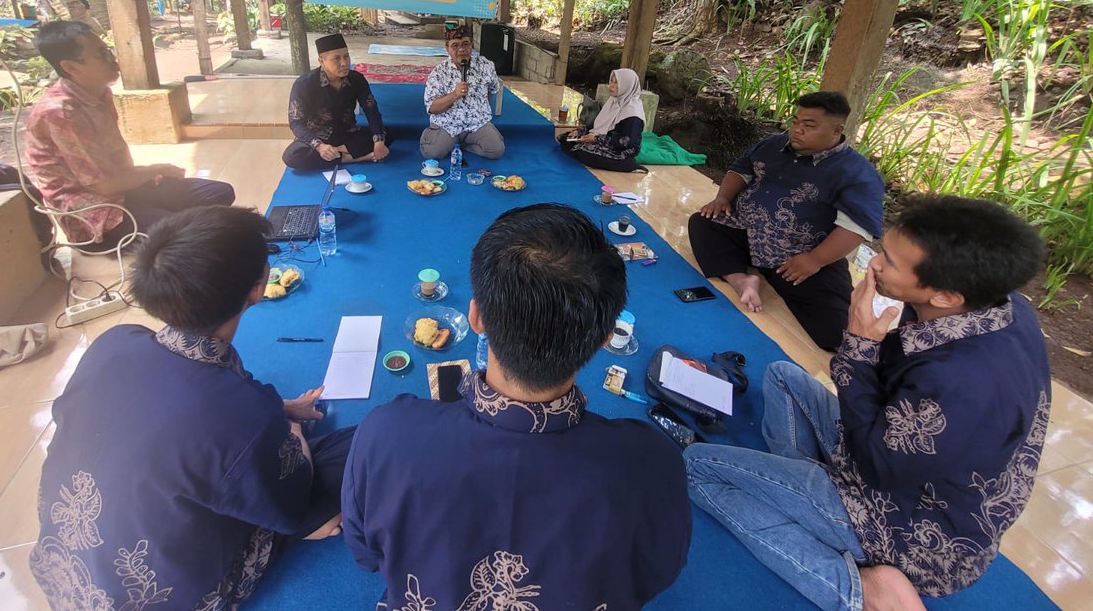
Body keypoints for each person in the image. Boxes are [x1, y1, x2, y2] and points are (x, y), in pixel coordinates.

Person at [684, 195, 1050, 610]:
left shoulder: (960, 382)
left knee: (697, 467)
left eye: (889, 262)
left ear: (946, 296)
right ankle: (808, 502)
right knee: (782, 376)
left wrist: (859, 344)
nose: (873, 263)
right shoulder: (1001, 305)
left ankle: (859, 587)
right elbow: (889, 400)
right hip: (889, 458)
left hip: (908, 526)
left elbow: (879, 469)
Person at [343, 203, 691, 609]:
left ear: (476, 317)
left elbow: (365, 555)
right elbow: (656, 572)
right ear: (603, 338)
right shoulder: (651, 463)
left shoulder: (387, 436)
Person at [30, 206, 355, 609]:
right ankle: (305, 527)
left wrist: (276, 408)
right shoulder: (242, 414)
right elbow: (292, 494)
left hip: (66, 578)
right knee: (363, 446)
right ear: (257, 288)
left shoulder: (114, 342)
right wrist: (288, 428)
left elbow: (172, 414)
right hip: (167, 600)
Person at [688, 91, 884, 351]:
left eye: (809, 125)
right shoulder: (774, 145)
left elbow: (856, 226)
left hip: (798, 258)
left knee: (835, 333)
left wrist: (815, 260)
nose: (797, 130)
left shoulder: (855, 172)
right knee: (703, 222)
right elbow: (741, 169)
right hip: (747, 231)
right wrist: (722, 198)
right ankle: (741, 280)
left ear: (836, 131)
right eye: (795, 121)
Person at [25, 20, 235, 248]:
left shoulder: (99, 93)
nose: (112, 59)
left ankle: (159, 219)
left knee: (219, 193)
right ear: (70, 67)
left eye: (108, 50)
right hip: (94, 210)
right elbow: (103, 186)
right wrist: (155, 169)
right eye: (101, 54)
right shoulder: (61, 112)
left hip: (125, 187)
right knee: (193, 237)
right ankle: (148, 229)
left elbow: (115, 168)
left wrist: (148, 175)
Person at [282, 33, 390, 170]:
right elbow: (296, 123)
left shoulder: (356, 79)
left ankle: (336, 154)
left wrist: (379, 141)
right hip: (318, 136)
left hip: (347, 134)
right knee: (292, 156)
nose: (344, 63)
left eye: (346, 56)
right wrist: (320, 146)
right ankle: (351, 158)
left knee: (383, 135)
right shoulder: (304, 84)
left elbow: (371, 110)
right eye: (336, 59)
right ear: (321, 61)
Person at [420, 22, 504, 160]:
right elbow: (432, 108)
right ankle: (450, 141)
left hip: (477, 124)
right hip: (447, 124)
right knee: (432, 153)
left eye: (465, 44)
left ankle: (464, 145)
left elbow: (492, 89)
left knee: (496, 150)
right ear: (447, 48)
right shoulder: (439, 72)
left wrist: (483, 113)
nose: (461, 49)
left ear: (472, 45)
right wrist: (455, 95)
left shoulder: (486, 66)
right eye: (455, 45)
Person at [558, 67, 646, 172]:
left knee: (583, 152)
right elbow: (597, 124)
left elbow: (626, 142)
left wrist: (597, 139)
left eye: (617, 83)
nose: (611, 86)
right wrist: (580, 132)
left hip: (621, 149)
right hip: (604, 139)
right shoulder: (613, 101)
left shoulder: (633, 112)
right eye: (611, 81)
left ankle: (629, 165)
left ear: (627, 86)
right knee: (566, 138)